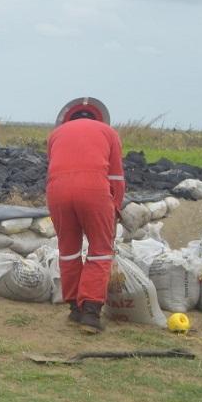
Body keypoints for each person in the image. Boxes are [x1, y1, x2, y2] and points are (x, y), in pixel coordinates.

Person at [47, 97, 124, 334]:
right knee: (100, 251)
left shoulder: (55, 135)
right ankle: (90, 313)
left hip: (57, 190)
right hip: (94, 190)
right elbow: (116, 177)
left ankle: (74, 308)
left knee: (68, 251)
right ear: (98, 117)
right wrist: (116, 207)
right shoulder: (109, 133)